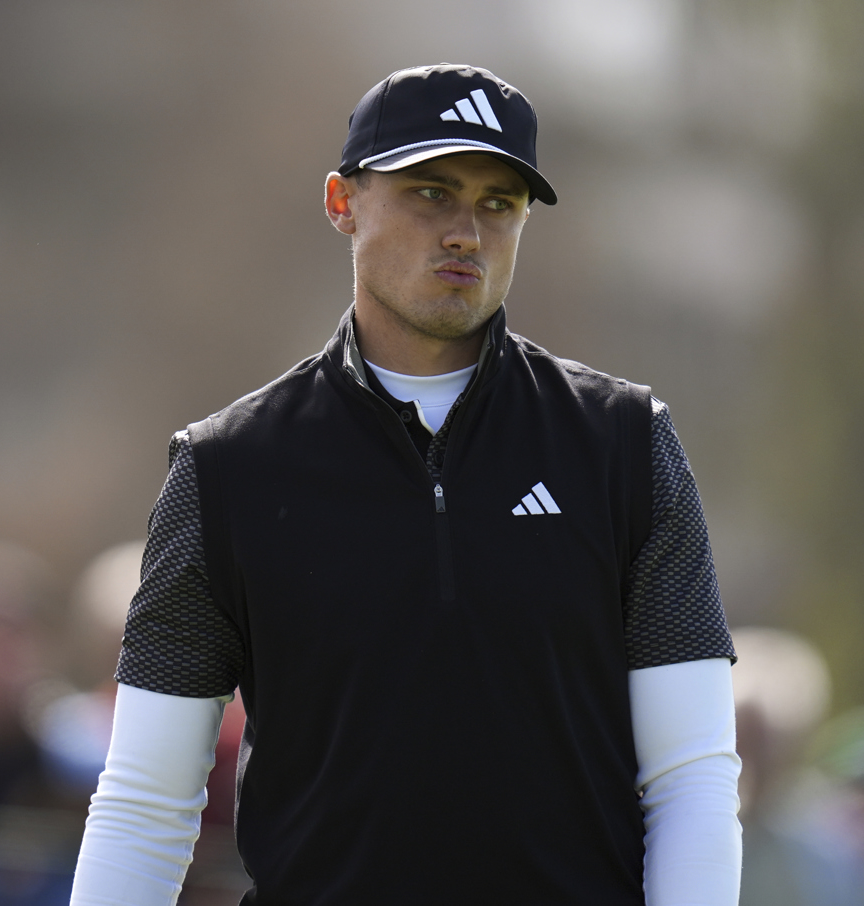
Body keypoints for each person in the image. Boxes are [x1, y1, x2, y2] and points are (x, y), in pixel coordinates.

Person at [68, 63, 742, 906]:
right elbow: (146, 804)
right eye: (431, 192)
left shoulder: (625, 444)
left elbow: (691, 779)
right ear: (342, 203)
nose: (466, 231)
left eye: (500, 204)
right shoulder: (226, 468)